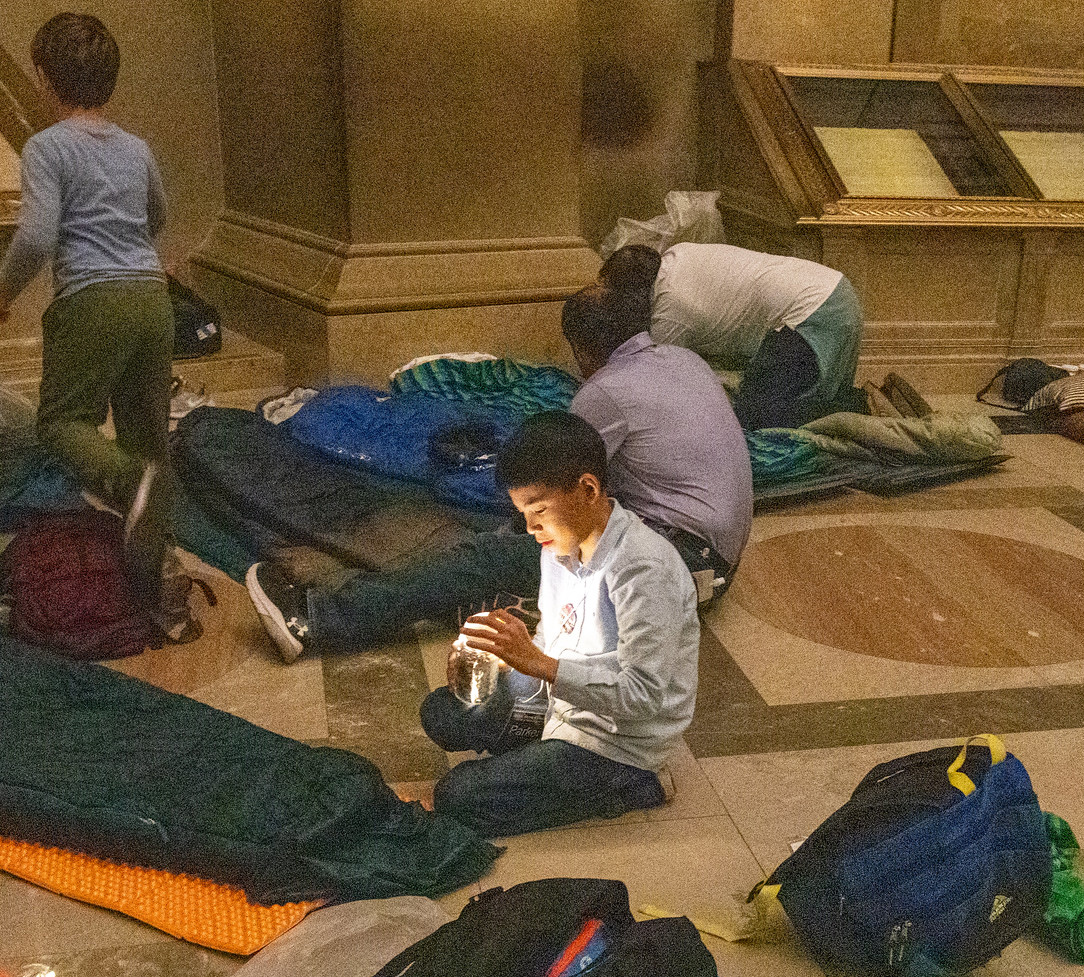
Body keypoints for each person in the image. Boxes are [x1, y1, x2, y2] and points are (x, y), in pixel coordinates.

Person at [246, 281, 752, 663]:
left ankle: (317, 621)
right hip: (714, 560)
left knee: (488, 554)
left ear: (582, 351)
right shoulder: (686, 360)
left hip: (679, 566)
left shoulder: (605, 392)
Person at [0, 13, 198, 641]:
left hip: (92, 301)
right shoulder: (135, 149)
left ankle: (123, 480)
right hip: (151, 299)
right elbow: (158, 215)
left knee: (61, 424)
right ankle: (158, 597)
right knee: (147, 440)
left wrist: (2, 291)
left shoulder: (47, 147)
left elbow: (35, 235)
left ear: (42, 76)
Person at [419, 411, 700, 837]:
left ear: (588, 489)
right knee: (442, 712)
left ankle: (634, 786)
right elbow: (554, 640)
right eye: (522, 513)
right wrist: (499, 657)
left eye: (539, 511)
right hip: (561, 703)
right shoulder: (557, 548)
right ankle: (537, 754)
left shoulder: (643, 569)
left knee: (458, 795)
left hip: (619, 742)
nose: (531, 528)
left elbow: (643, 697)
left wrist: (538, 664)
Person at [600, 243, 865, 430]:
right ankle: (850, 407)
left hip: (811, 311)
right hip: (832, 287)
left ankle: (854, 414)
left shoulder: (671, 312)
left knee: (757, 417)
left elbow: (654, 380)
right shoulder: (676, 254)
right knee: (773, 396)